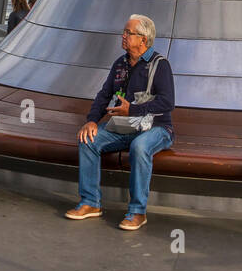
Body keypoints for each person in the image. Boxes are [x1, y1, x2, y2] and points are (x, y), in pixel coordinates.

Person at [65, 14, 174, 231]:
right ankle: (90, 202)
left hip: (157, 127)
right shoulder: (120, 63)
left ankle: (137, 211)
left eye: (128, 33)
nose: (123, 36)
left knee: (140, 146)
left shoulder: (159, 65)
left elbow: (167, 102)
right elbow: (104, 94)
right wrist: (92, 121)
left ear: (143, 39)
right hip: (126, 126)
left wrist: (131, 109)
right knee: (88, 140)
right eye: (124, 32)